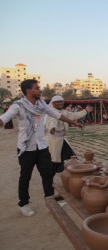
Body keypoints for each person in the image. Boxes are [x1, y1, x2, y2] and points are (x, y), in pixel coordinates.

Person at [0, 79, 84, 217]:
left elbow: (58, 115)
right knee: (25, 176)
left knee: (47, 173)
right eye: (37, 88)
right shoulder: (18, 105)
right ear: (28, 91)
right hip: (26, 148)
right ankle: (24, 204)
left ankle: (50, 200)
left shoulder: (42, 104)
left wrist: (74, 123)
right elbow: (5, 117)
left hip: (42, 146)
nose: (40, 90)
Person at [45, 95, 93, 175]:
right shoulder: (51, 112)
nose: (60, 103)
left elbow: (74, 116)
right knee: (54, 160)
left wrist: (85, 111)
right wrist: (52, 127)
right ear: (53, 103)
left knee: (70, 158)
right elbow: (52, 121)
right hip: (54, 140)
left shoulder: (64, 112)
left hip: (63, 139)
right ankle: (50, 179)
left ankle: (69, 176)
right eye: (58, 102)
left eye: (61, 101)